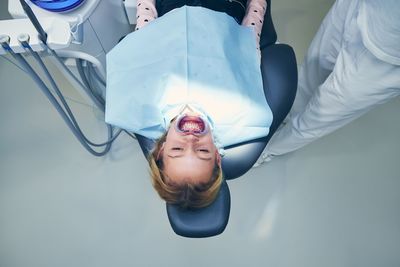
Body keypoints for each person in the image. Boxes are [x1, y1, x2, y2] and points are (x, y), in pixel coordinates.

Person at [105, 0, 272, 208]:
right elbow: (250, 31)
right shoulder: (242, 108)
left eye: (177, 150)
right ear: (217, 157)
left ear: (161, 150)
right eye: (202, 152)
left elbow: (145, 24)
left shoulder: (142, 99)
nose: (190, 140)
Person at [255, 0, 400, 166]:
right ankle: (286, 113)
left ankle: (269, 149)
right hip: (361, 5)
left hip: (388, 56)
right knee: (312, 70)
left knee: (319, 115)